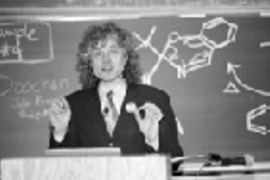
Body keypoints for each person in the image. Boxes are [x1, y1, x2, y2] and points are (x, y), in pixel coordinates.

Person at [48, 22, 183, 158]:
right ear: (89, 63)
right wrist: (60, 133)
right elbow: (56, 170)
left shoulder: (155, 99)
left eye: (113, 51)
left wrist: (154, 140)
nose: (106, 60)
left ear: (125, 58)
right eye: (98, 54)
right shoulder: (72, 105)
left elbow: (175, 162)